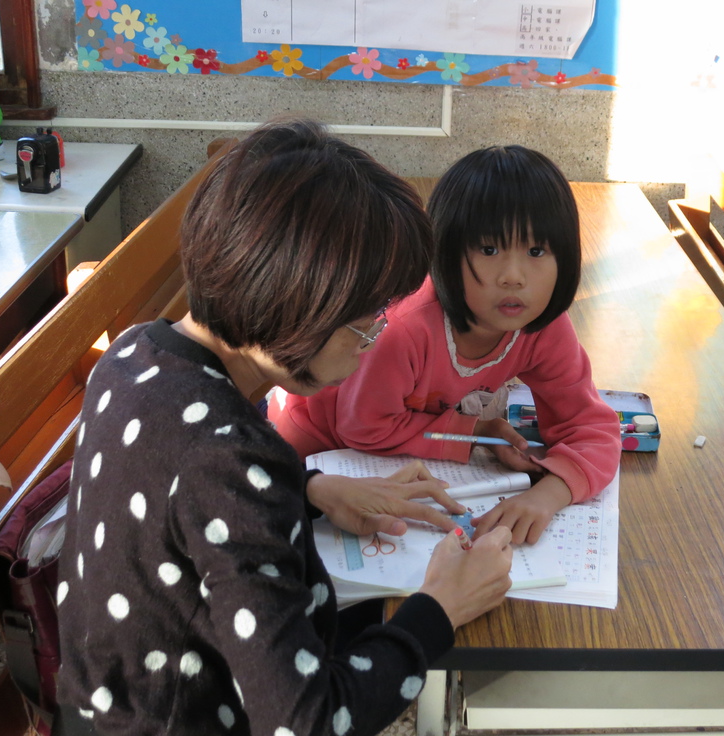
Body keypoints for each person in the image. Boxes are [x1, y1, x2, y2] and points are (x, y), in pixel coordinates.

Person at [54, 118, 514, 736]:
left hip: (101, 708)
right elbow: (306, 722)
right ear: (298, 302)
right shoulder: (230, 463)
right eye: (366, 323)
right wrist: (438, 610)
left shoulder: (137, 352)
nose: (371, 345)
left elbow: (179, 485)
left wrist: (310, 488)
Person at [270, 145, 621, 546]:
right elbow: (363, 427)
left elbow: (592, 427)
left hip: (396, 453)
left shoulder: (542, 327)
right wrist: (471, 432)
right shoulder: (403, 328)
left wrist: (549, 494)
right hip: (316, 451)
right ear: (445, 251)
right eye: (489, 250)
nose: (513, 276)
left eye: (536, 251)